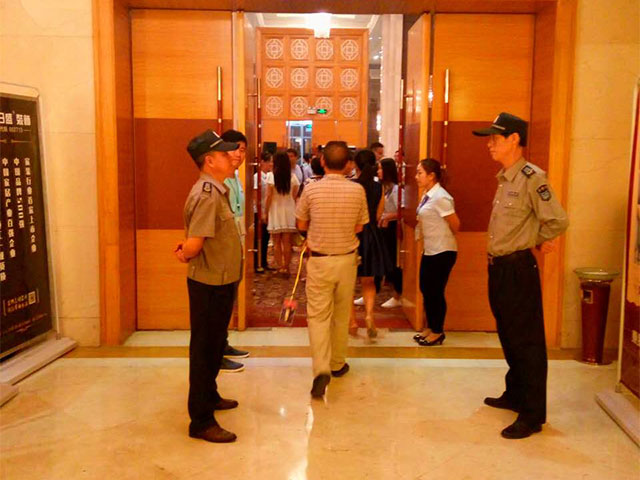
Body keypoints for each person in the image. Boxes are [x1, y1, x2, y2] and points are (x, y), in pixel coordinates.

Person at [472, 112, 569, 439]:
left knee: (527, 342)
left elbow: (557, 220)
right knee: (509, 334)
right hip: (499, 268)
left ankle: (532, 414)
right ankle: (514, 393)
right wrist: (534, 238)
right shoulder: (505, 178)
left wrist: (535, 240)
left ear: (514, 139)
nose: (490, 145)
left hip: (517, 269)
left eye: (495, 138)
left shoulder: (532, 178)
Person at [174, 129, 242, 443]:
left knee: (214, 345)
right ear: (210, 160)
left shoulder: (217, 190)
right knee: (204, 350)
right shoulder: (207, 194)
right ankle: (201, 421)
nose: (232, 157)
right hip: (209, 283)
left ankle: (210, 395)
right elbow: (195, 243)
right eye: (225, 154)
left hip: (221, 279)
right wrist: (184, 252)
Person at [296, 141, 369, 398]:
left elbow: (301, 223)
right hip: (347, 260)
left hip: (319, 260)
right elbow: (360, 227)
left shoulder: (310, 189)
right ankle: (338, 363)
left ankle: (321, 369)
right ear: (348, 164)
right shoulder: (357, 190)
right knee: (341, 313)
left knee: (318, 316)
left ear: (323, 162)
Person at [413, 159, 460, 346]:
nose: (416, 177)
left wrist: (443, 236)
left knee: (435, 291)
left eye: (420, 173)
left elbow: (455, 224)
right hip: (430, 249)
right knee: (426, 289)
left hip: (443, 250)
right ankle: (431, 326)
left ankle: (438, 331)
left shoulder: (441, 197)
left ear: (431, 176)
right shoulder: (427, 195)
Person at [349, 150, 393, 339]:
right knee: (369, 281)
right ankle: (369, 315)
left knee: (349, 282)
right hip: (372, 235)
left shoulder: (351, 186)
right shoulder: (378, 187)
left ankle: (352, 321)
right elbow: (378, 214)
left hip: (353, 234)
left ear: (355, 165)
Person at [220, 129, 250, 373]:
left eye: (243, 150)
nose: (239, 154)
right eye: (235, 149)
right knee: (219, 302)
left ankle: (223, 343)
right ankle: (216, 353)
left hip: (236, 243)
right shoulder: (218, 179)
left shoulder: (235, 176)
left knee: (229, 298)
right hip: (222, 247)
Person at [265, 151, 300, 276]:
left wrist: (265, 212)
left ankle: (280, 267)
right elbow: (294, 196)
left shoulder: (270, 176)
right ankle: (287, 267)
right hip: (289, 211)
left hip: (275, 210)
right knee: (287, 243)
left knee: (276, 242)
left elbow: (269, 196)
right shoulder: (293, 177)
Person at [376, 157, 403, 308]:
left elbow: (403, 211)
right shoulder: (385, 188)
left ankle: (398, 294)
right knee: (386, 261)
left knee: (394, 262)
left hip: (393, 229)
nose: (378, 171)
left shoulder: (396, 190)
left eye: (381, 168)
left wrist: (388, 216)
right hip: (384, 227)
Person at [253, 151, 273, 273]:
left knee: (266, 238)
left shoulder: (268, 176)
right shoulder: (257, 177)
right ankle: (257, 262)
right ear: (262, 162)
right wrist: (260, 212)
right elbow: (256, 196)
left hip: (266, 211)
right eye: (269, 161)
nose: (271, 164)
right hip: (258, 211)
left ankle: (264, 261)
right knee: (258, 238)